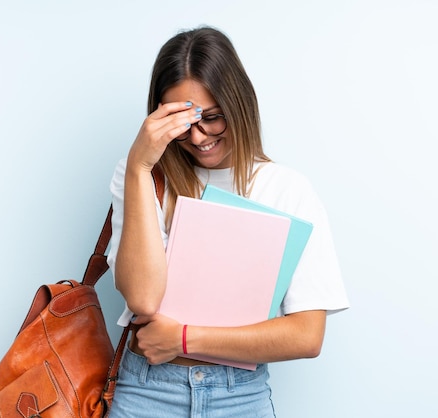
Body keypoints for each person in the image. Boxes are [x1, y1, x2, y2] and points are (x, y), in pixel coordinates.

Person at [106, 26, 349, 417]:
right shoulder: (141, 175)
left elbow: (306, 336)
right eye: (184, 122)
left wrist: (184, 339)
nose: (200, 137)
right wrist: (138, 165)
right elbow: (143, 298)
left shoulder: (287, 188)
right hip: (147, 393)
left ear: (239, 104)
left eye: (213, 117)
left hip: (239, 397)